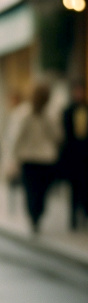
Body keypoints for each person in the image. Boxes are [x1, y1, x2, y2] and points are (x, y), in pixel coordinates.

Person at [13, 82, 61, 233]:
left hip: (34, 159)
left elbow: (16, 137)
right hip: (41, 159)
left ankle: (34, 215)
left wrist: (14, 156)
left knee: (33, 190)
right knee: (39, 190)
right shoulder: (30, 113)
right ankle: (36, 215)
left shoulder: (44, 114)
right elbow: (58, 136)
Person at [61, 79, 88, 229]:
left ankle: (84, 214)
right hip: (73, 157)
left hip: (85, 156)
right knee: (74, 189)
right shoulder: (68, 111)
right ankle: (73, 219)